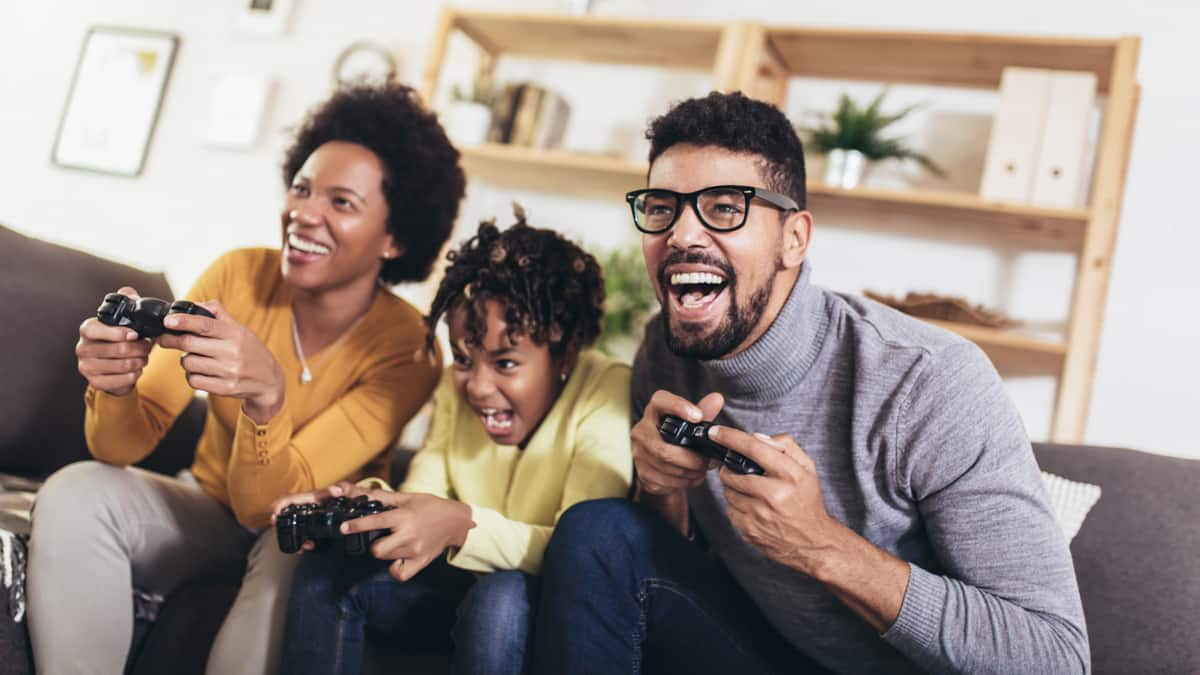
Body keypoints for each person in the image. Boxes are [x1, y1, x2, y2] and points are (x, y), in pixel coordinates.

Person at [531, 91, 1089, 674]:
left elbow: (1054, 657)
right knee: (599, 532)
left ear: (794, 239)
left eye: (724, 208)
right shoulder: (666, 353)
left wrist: (819, 544)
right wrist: (660, 488)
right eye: (662, 206)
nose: (681, 235)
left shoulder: (930, 382)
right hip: (764, 647)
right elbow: (670, 561)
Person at [26, 81, 465, 675]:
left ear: (396, 238)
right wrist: (115, 384)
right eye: (302, 188)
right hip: (205, 510)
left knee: (293, 551)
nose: (304, 213)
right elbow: (117, 447)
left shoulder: (409, 349)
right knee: (78, 491)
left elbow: (268, 508)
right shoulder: (237, 275)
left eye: (342, 202)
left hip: (301, 534)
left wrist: (266, 399)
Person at [275, 216, 634, 675]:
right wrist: (364, 508)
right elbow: (425, 494)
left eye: (506, 363)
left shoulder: (604, 390)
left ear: (563, 355)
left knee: (501, 596)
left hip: (537, 612)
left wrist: (463, 526)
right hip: (455, 594)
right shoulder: (452, 389)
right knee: (326, 574)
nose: (478, 387)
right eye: (464, 359)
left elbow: (583, 552)